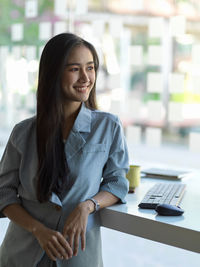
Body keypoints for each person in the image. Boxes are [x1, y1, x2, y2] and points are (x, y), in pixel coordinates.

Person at [0, 33, 129, 267]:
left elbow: (117, 182)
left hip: (77, 256)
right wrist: (37, 229)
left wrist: (87, 206)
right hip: (22, 255)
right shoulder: (23, 132)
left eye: (90, 68)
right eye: (74, 69)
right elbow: (4, 192)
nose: (85, 78)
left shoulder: (108, 126)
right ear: (53, 73)